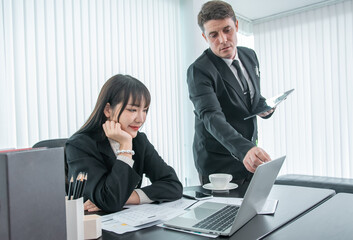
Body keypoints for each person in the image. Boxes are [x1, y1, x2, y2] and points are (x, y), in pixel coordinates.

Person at [187, 0, 274, 186]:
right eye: (213, 35)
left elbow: (247, 98)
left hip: (249, 155)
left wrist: (263, 105)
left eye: (227, 30)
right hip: (218, 162)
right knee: (225, 215)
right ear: (205, 37)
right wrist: (246, 149)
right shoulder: (199, 70)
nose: (223, 40)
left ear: (236, 25)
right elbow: (211, 117)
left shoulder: (250, 56)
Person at [66, 74, 183, 213]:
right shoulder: (80, 145)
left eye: (144, 110)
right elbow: (110, 201)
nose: (140, 119)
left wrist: (129, 197)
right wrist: (126, 147)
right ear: (108, 110)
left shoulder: (139, 141)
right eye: (132, 110)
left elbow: (173, 185)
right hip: (91, 227)